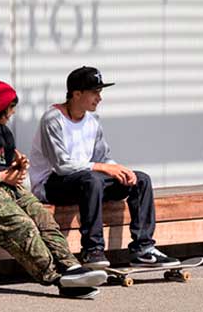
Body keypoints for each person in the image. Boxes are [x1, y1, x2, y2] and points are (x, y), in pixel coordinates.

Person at [0, 77, 108, 297]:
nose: (13, 113)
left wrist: (18, 166)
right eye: (11, 108)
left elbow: (7, 163)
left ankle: (71, 268)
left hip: (7, 187)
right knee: (23, 226)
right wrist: (2, 176)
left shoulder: (3, 132)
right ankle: (57, 277)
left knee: (43, 218)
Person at [29, 65, 178, 270]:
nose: (99, 97)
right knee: (91, 179)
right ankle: (92, 250)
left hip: (87, 183)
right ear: (76, 93)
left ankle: (143, 249)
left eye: (100, 92)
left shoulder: (92, 121)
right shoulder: (53, 119)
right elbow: (62, 166)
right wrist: (102, 168)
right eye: (95, 92)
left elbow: (102, 158)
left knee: (140, 179)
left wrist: (119, 170)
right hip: (51, 185)